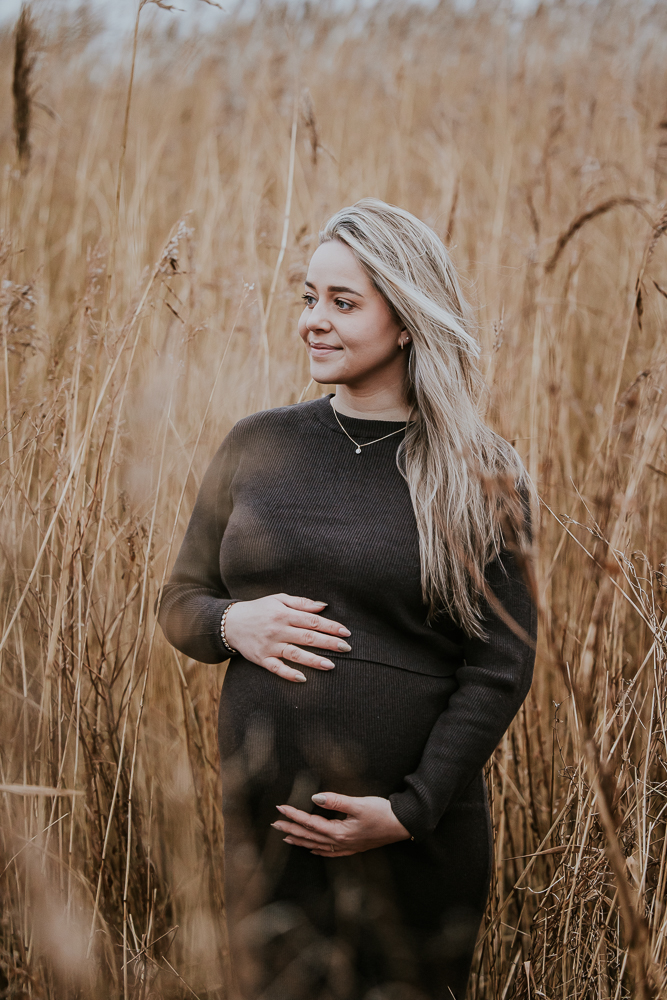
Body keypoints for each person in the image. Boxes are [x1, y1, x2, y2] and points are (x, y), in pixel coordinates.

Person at [158, 199, 537, 1000]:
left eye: (341, 302)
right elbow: (180, 602)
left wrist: (408, 810)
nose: (312, 322)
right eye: (307, 298)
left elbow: (500, 663)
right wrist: (233, 623)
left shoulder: (478, 472)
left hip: (412, 842)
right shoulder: (257, 444)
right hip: (271, 839)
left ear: (405, 320)